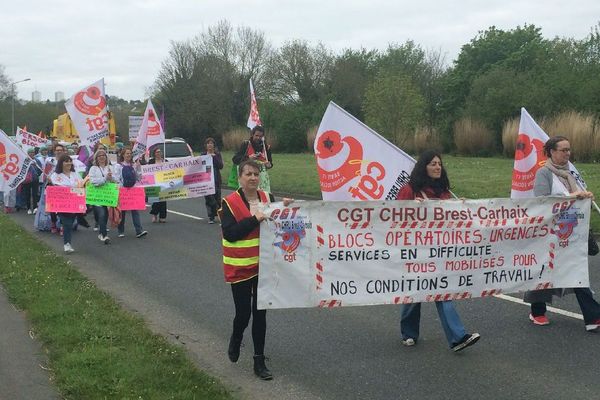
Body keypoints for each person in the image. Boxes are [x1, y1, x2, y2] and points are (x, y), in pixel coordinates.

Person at [396, 150, 480, 352]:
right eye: (433, 163)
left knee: (442, 290)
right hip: (415, 252)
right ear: (423, 166)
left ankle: (458, 337)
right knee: (415, 295)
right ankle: (409, 332)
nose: (437, 167)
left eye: (439, 164)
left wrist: (462, 207)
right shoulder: (409, 190)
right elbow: (393, 217)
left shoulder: (444, 191)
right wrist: (409, 207)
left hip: (440, 252)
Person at [221, 160, 292, 380]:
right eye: (248, 174)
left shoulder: (267, 198)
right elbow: (230, 234)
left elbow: (276, 220)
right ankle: (236, 336)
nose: (253, 177)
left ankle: (259, 360)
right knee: (243, 314)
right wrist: (255, 219)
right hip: (241, 268)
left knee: (260, 313)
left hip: (264, 266)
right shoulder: (229, 202)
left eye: (256, 174)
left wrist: (285, 207)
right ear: (240, 177)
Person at [524, 136, 600, 331]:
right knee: (545, 272)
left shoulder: (571, 173)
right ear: (551, 152)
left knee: (576, 271)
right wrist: (570, 197)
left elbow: (579, 197)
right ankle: (537, 311)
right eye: (563, 150)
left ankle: (593, 318)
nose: (567, 153)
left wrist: (585, 197)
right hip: (551, 234)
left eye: (569, 150)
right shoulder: (544, 173)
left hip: (573, 233)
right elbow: (541, 201)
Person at [48, 154, 86, 253]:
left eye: (70, 161)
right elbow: (52, 190)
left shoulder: (75, 174)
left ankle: (66, 237)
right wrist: (50, 183)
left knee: (70, 223)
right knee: (67, 223)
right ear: (61, 163)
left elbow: (81, 186)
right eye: (66, 161)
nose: (69, 163)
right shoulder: (55, 175)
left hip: (74, 204)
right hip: (62, 204)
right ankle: (67, 244)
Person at [114, 147, 148, 238]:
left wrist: (139, 168)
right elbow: (116, 179)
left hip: (133, 190)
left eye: (130, 153)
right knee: (123, 212)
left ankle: (139, 231)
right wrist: (122, 188)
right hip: (123, 191)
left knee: (135, 211)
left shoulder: (134, 165)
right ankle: (121, 231)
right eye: (127, 153)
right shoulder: (118, 166)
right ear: (123, 155)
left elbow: (139, 178)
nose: (129, 155)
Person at [88, 149, 117, 244]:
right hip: (97, 196)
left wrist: (111, 178)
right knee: (101, 214)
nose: (101, 157)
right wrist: (105, 179)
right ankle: (104, 235)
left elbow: (117, 180)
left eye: (103, 155)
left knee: (105, 215)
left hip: (108, 196)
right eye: (99, 156)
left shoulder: (111, 168)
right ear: (96, 158)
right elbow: (93, 182)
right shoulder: (93, 168)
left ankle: (101, 232)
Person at [232, 126, 273, 192]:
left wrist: (269, 165)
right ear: (252, 135)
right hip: (248, 179)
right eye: (256, 135)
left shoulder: (266, 147)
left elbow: (270, 163)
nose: (258, 138)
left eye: (260, 136)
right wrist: (248, 158)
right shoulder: (246, 144)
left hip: (262, 182)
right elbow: (235, 159)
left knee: (263, 199)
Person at [201, 137, 223, 224]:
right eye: (208, 143)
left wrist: (214, 157)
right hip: (206, 180)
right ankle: (211, 216)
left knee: (217, 198)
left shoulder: (217, 155)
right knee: (209, 198)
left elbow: (220, 166)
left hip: (216, 179)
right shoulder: (203, 155)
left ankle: (219, 214)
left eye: (211, 143)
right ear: (206, 146)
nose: (210, 145)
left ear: (214, 145)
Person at [148, 147, 167, 223]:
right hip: (154, 183)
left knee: (163, 200)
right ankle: (154, 214)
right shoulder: (151, 162)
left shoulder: (165, 161)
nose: (158, 153)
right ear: (154, 153)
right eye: (157, 152)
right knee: (155, 200)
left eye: (159, 152)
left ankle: (162, 216)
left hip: (164, 183)